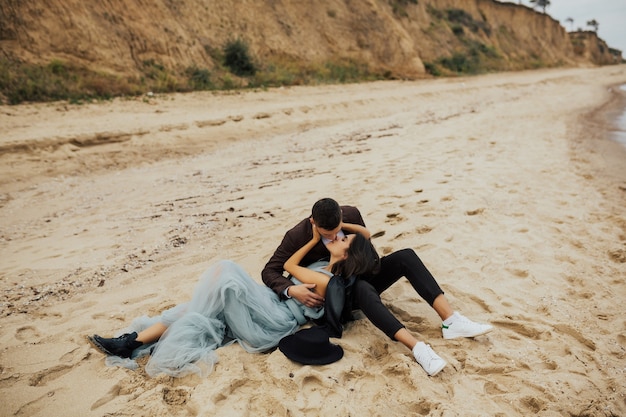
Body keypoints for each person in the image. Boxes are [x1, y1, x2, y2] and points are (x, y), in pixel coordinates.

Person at [88, 220, 397, 377]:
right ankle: (130, 343)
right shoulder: (324, 267)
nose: (338, 236)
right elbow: (365, 234)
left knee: (226, 275)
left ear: (347, 253)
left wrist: (317, 237)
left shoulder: (326, 278)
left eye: (343, 239)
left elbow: (289, 266)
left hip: (273, 323)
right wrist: (342, 226)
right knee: (199, 310)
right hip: (267, 305)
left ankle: (130, 343)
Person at [262, 198, 493, 373]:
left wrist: (352, 244)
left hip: (360, 275)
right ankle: (418, 348)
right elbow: (270, 270)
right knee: (363, 290)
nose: (334, 237)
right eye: (327, 234)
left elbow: (370, 255)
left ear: (341, 215)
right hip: (336, 292)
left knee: (406, 256)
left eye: (338, 232)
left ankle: (451, 321)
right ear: (313, 222)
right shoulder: (296, 236)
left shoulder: (351, 214)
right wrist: (291, 289)